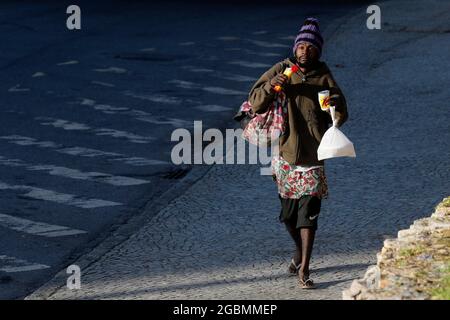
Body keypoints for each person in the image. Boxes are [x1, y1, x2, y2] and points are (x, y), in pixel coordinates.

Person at [248, 17, 348, 289]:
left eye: (311, 47)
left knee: (309, 215)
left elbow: (341, 116)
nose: (305, 51)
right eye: (301, 46)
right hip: (285, 155)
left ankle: (305, 268)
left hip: (314, 157)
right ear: (295, 48)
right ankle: (297, 252)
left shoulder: (324, 76)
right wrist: (273, 85)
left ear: (318, 51)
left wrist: (335, 105)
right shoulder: (283, 69)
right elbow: (255, 103)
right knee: (288, 216)